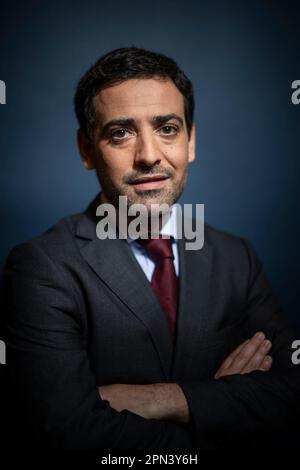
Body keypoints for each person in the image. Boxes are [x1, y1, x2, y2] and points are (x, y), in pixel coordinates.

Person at [3, 47, 300, 451]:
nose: (148, 155)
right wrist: (227, 417)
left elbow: (292, 397)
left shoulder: (237, 258)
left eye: (167, 128)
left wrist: (164, 399)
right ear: (87, 149)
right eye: (120, 133)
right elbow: (68, 432)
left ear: (191, 141)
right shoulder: (42, 268)